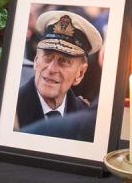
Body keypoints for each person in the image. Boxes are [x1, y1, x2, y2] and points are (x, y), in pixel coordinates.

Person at [15, 10, 103, 139]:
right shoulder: (12, 108)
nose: (52, 69)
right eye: (47, 57)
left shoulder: (84, 114)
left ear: (80, 73)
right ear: (36, 60)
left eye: (64, 61)